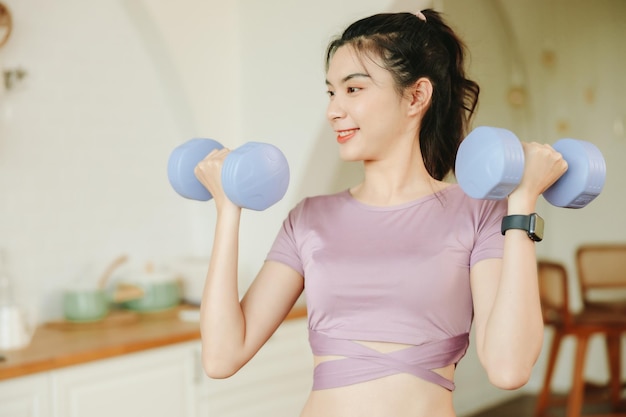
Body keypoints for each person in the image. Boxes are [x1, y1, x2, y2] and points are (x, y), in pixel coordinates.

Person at [193, 9, 568, 417]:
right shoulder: (309, 218)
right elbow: (221, 357)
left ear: (415, 97)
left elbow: (508, 368)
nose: (333, 110)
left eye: (353, 89)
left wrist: (523, 200)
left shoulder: (478, 212)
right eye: (331, 92)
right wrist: (227, 209)